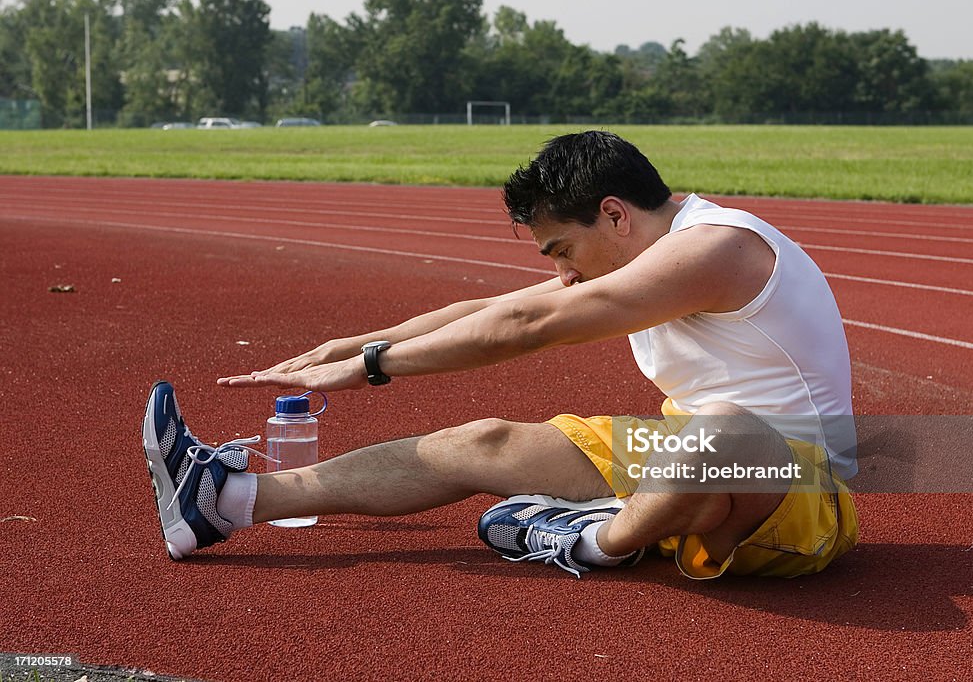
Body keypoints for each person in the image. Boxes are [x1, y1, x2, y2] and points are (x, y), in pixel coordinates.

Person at [142, 131, 858, 579]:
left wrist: (374, 367)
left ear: (614, 214)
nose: (563, 276)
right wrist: (355, 341)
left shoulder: (719, 247)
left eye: (563, 253)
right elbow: (488, 310)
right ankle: (226, 500)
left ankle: (593, 543)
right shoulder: (652, 249)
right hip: (683, 455)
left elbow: (528, 323)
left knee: (724, 431)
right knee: (478, 442)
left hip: (796, 487)